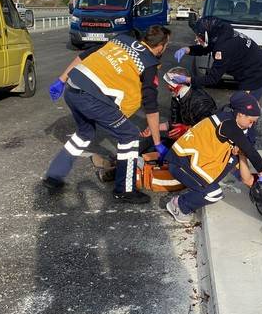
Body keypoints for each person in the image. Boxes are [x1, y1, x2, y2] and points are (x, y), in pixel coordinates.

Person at [42, 25, 171, 204]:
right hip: (90, 97)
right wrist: (157, 143)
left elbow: (83, 56)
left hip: (72, 88)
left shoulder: (122, 40)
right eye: (166, 46)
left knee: (84, 133)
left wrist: (61, 80)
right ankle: (124, 190)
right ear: (160, 46)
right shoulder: (149, 63)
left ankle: (54, 176)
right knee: (129, 134)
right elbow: (151, 107)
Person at [164, 92, 262, 224]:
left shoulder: (232, 120)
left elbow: (242, 173)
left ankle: (195, 191)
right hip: (181, 162)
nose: (251, 125)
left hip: (187, 162)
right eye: (251, 121)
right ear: (240, 114)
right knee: (214, 194)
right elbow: (250, 150)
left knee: (229, 162)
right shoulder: (229, 124)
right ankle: (179, 205)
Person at [169, 16, 262, 143]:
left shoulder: (224, 47)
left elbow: (212, 78)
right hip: (254, 69)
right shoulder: (221, 34)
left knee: (244, 109)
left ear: (208, 34)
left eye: (199, 36)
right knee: (241, 107)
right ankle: (240, 138)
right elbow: (207, 47)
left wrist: (187, 79)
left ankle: (245, 142)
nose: (196, 39)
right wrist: (188, 49)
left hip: (257, 75)